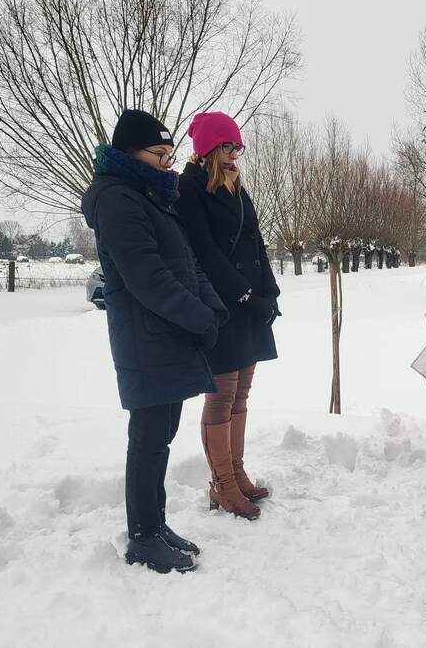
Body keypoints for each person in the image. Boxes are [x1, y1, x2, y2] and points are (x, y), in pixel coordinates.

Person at [81, 109, 227, 573]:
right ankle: (142, 537)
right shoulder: (117, 199)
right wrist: (198, 318)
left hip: (171, 335)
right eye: (159, 154)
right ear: (130, 152)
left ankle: (156, 524)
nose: (168, 162)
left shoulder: (153, 195)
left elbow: (188, 263)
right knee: (147, 439)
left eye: (169, 154)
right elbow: (148, 277)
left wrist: (212, 308)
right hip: (145, 339)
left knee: (161, 437)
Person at [177, 111, 280, 521]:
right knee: (221, 395)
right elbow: (204, 252)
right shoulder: (189, 188)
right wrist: (244, 294)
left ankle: (236, 474)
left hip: (249, 305)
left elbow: (255, 242)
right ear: (208, 148)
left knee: (241, 392)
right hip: (222, 305)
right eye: (227, 146)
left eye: (238, 146)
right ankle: (222, 484)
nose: (235, 153)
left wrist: (269, 291)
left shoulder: (236, 186)